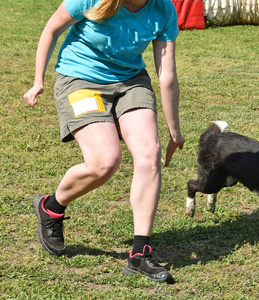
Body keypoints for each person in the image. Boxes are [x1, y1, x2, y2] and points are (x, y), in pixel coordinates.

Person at [23, 0, 185, 284]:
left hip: (131, 80)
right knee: (104, 162)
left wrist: (174, 129)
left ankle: (140, 253)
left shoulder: (164, 9)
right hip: (80, 78)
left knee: (149, 153)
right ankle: (51, 206)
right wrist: (38, 81)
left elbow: (166, 74)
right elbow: (51, 30)